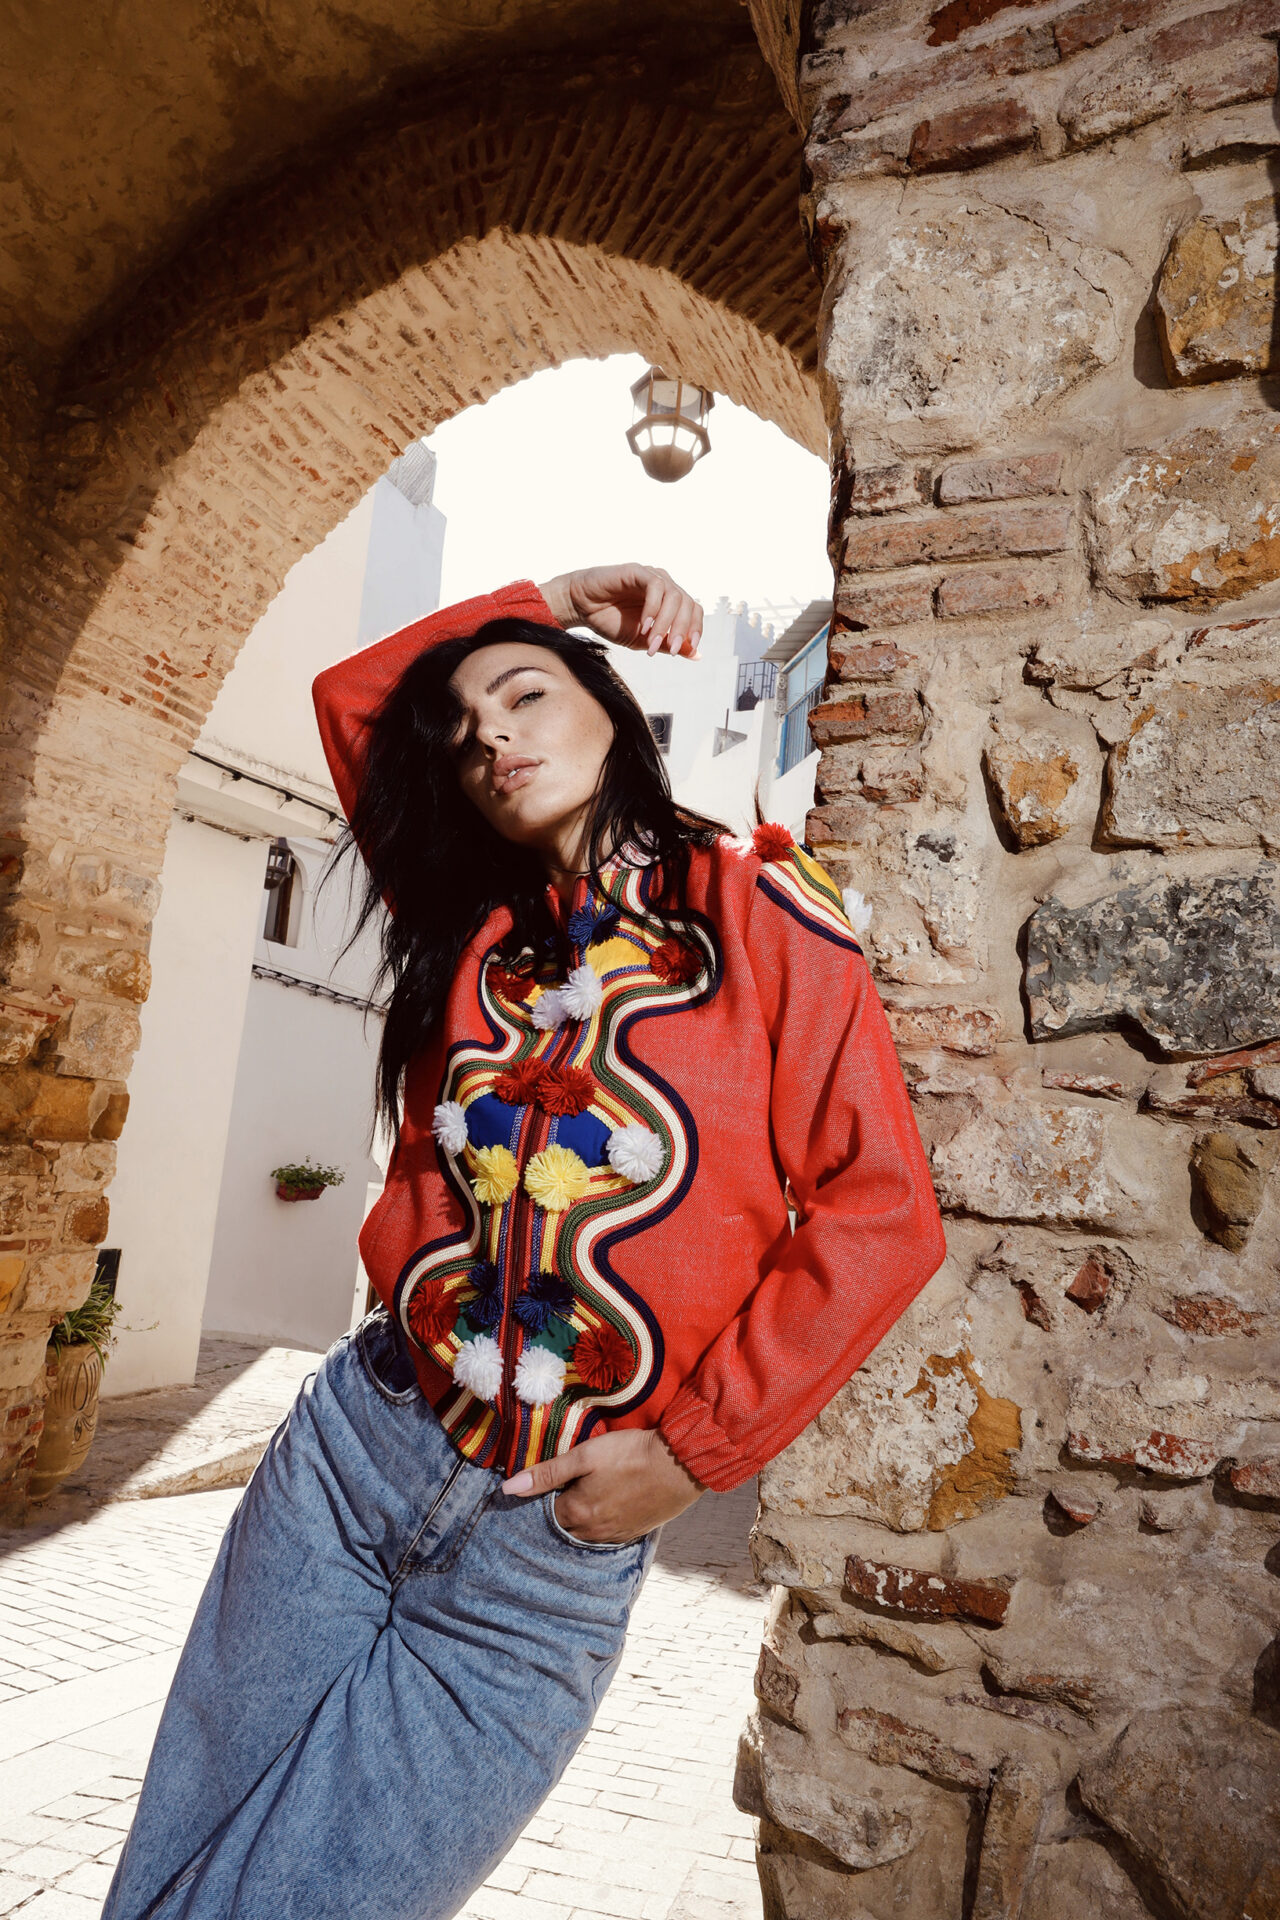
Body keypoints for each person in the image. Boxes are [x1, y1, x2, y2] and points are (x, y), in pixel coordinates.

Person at [102, 563, 946, 1920]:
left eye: (527, 695)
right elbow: (356, 702)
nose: (491, 732)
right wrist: (550, 600)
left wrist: (694, 1454)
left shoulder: (761, 913)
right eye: (465, 731)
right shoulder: (466, 918)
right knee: (173, 1872)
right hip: (353, 1460)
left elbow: (881, 1212)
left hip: (543, 1548)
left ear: (613, 709)